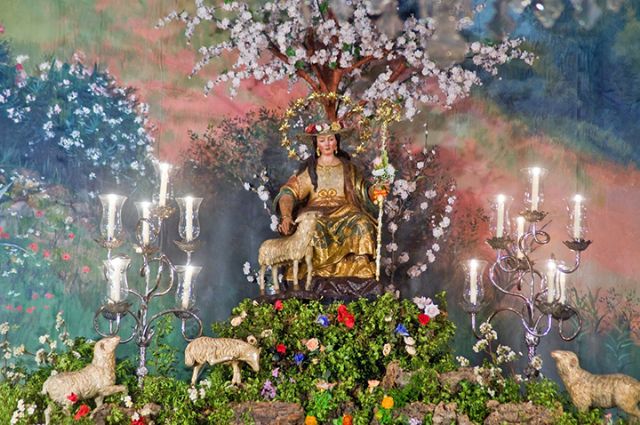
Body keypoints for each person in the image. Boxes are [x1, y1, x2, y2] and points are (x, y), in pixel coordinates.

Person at [274, 121, 387, 281]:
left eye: (331, 139)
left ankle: (358, 264)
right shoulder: (309, 170)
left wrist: (376, 190)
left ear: (337, 142)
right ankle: (315, 269)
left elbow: (364, 190)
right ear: (316, 145)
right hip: (316, 214)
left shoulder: (348, 168)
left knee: (362, 223)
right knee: (312, 228)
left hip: (346, 213)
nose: (327, 143)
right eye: (322, 140)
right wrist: (286, 216)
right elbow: (288, 193)